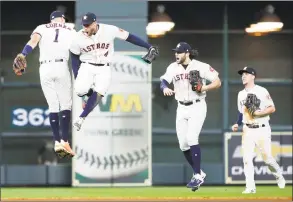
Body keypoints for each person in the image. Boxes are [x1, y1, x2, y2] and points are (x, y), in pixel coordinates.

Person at [70, 12, 158, 131]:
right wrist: (77, 79)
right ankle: (87, 94)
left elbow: (129, 37)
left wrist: (148, 46)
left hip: (104, 67)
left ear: (95, 23)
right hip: (87, 66)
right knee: (79, 89)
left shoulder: (109, 30)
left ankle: (81, 118)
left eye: (88, 25)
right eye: (84, 25)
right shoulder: (77, 37)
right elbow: (75, 59)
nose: (85, 27)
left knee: (100, 92)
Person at [13, 11, 76, 158]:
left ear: (51, 19)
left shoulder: (42, 27)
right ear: (62, 19)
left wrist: (23, 54)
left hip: (45, 68)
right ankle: (65, 141)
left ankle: (56, 142)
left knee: (53, 106)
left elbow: (33, 42)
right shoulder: (70, 29)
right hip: (61, 66)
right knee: (65, 106)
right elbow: (78, 49)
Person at [159, 42, 221, 191]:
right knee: (183, 144)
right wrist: (165, 88)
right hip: (181, 107)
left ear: (187, 53)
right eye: (175, 52)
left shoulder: (201, 66)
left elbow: (218, 82)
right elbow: (163, 81)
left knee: (192, 138)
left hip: (197, 105)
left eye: (179, 52)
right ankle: (199, 173)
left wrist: (203, 87)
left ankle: (198, 175)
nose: (176, 55)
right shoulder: (172, 67)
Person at [231, 67, 286, 194]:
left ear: (253, 76)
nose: (243, 76)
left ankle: (279, 175)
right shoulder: (240, 94)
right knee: (246, 159)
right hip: (247, 129)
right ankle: (250, 187)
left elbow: (272, 108)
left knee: (267, 159)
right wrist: (237, 123)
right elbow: (241, 112)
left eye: (246, 74)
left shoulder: (261, 91)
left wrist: (260, 113)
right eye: (242, 74)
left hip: (262, 128)